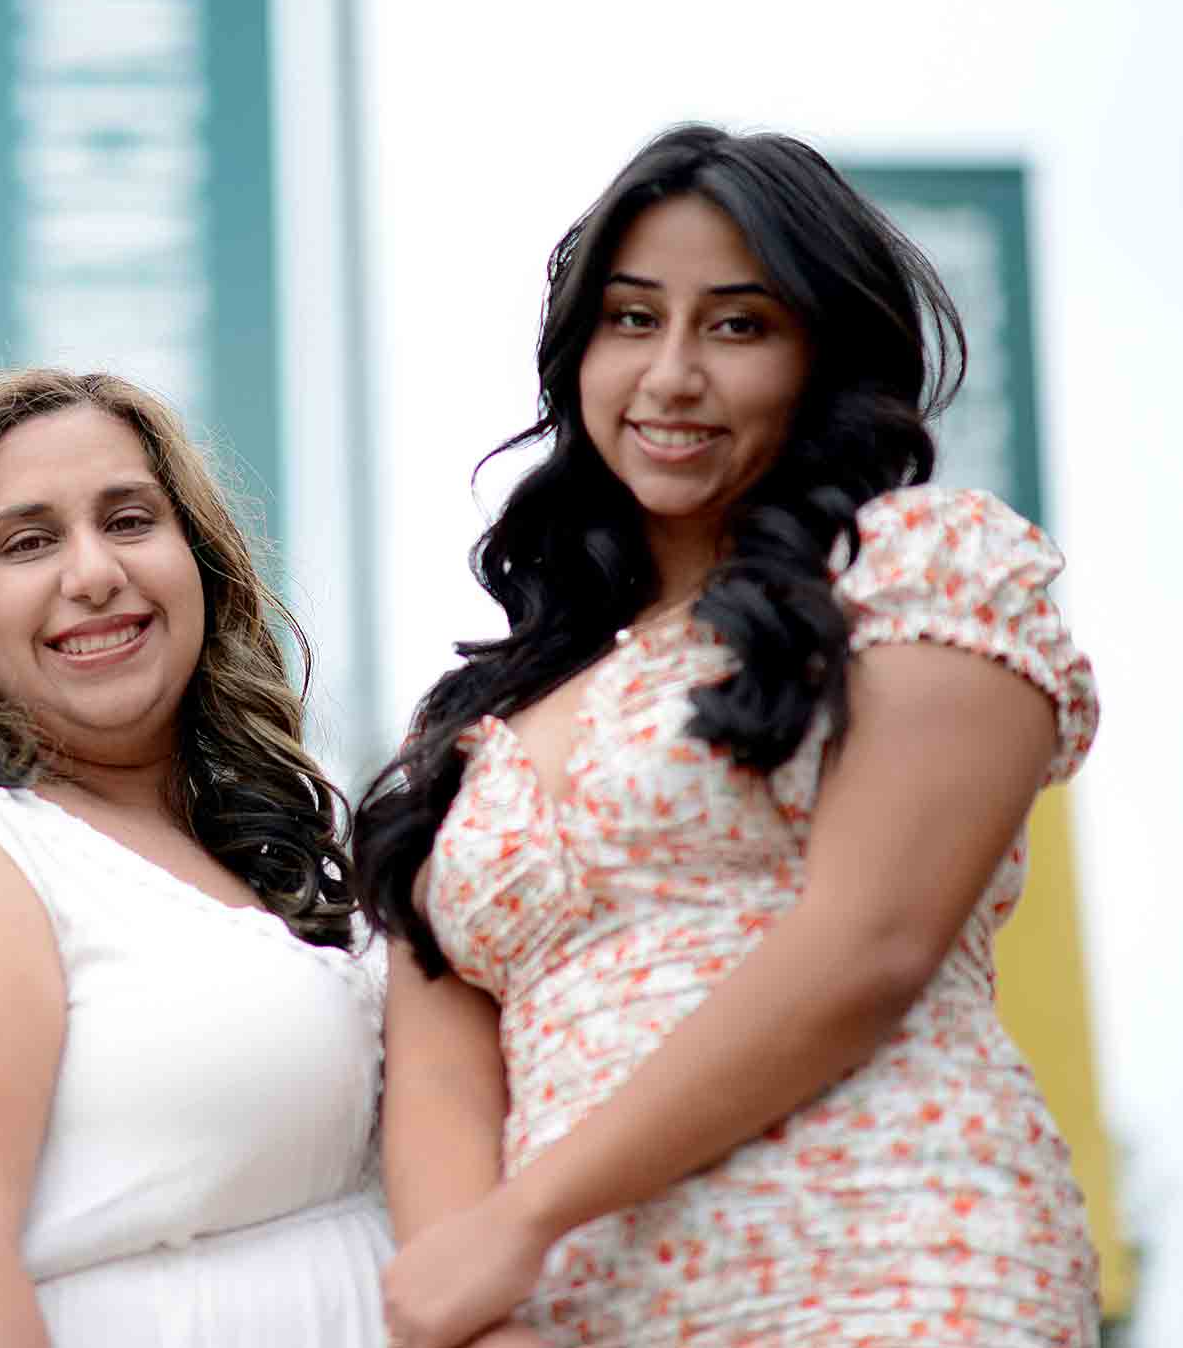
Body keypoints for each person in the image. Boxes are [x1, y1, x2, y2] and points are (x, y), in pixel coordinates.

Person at [357, 124, 1101, 1347]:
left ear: (825, 353)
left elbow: (871, 945)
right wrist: (470, 1303)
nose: (672, 377)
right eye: (633, 319)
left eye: (739, 325)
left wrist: (529, 1215)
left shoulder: (919, 565)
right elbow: (438, 1062)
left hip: (894, 1258)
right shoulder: (481, 717)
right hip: (571, 1314)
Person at [0, 368, 408, 1346]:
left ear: (202, 564)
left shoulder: (277, 850)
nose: (94, 572)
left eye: (131, 520)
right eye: (29, 542)